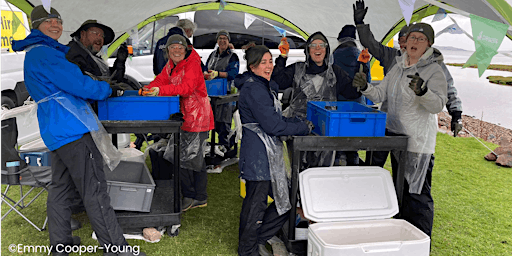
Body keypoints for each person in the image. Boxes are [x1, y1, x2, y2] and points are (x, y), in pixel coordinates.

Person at [12, 6, 144, 256]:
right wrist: (109, 91)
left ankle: (60, 244)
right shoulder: (45, 54)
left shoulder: (36, 52)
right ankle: (116, 249)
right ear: (35, 25)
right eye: (49, 22)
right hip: (72, 129)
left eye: (58, 22)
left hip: (56, 132)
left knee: (60, 188)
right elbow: (81, 86)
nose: (56, 25)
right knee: (94, 190)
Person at [352, 22, 448, 237]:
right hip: (396, 139)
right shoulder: (398, 66)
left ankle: (422, 242)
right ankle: (403, 238)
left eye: (420, 39)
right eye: (412, 37)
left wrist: (423, 91)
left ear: (429, 43)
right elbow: (380, 95)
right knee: (401, 192)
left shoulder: (434, 70)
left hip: (417, 144)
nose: (414, 42)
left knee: (417, 197)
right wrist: (365, 87)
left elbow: (437, 105)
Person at [353, 0, 464, 167]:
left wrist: (456, 113)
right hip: (387, 120)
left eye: (417, 39)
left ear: (428, 43)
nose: (409, 44)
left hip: (413, 131)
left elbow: (448, 88)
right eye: (406, 39)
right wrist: (360, 25)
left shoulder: (434, 65)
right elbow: (371, 44)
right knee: (373, 164)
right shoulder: (392, 57)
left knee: (406, 178)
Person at [235, 45, 313, 256]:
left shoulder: (262, 85)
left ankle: (259, 238)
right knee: (255, 205)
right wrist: (302, 127)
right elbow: (273, 126)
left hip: (268, 155)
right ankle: (248, 249)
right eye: (264, 62)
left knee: (285, 199)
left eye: (270, 61)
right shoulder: (254, 89)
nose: (269, 66)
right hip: (258, 156)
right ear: (252, 67)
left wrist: (294, 121)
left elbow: (275, 119)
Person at [142, 34, 214, 211]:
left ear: (186, 49)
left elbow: (186, 88)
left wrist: (160, 91)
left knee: (189, 159)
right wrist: (149, 88)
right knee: (188, 158)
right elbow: (161, 79)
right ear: (167, 51)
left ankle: (192, 197)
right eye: (172, 47)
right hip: (186, 116)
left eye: (180, 47)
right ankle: (197, 195)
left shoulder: (192, 65)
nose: (176, 50)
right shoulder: (171, 65)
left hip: (197, 117)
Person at [272, 31, 362, 168]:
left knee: (322, 174)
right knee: (299, 172)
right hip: (298, 130)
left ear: (327, 49)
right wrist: (282, 57)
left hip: (326, 131)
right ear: (308, 50)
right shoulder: (297, 69)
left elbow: (352, 94)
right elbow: (277, 82)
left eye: (321, 45)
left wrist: (361, 75)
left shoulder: (335, 72)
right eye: (313, 45)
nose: (318, 48)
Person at [332, 24, 372, 166]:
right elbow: (368, 82)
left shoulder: (335, 55)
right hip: (358, 106)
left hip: (339, 106)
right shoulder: (362, 55)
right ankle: (353, 166)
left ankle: (339, 166)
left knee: (338, 144)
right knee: (353, 144)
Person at [203, 30, 240, 159]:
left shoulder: (232, 56)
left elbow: (233, 73)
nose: (222, 41)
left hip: (226, 95)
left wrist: (218, 74)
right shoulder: (213, 54)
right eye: (220, 38)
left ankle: (227, 149)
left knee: (224, 123)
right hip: (212, 93)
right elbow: (206, 68)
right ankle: (211, 148)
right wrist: (206, 74)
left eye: (225, 38)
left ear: (228, 41)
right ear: (217, 41)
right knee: (211, 122)